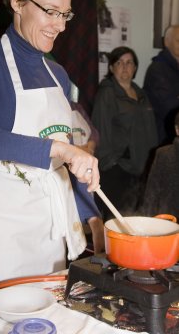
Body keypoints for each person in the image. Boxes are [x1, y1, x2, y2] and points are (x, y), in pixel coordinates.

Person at [0, 0, 100, 299]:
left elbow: (67, 160)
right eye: (50, 11)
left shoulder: (59, 74)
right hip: (2, 229)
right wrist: (60, 149)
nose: (60, 25)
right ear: (17, 1)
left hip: (49, 228)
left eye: (64, 14)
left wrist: (91, 217)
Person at [91, 46, 158, 221]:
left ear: (135, 68)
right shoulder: (107, 94)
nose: (125, 67)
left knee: (137, 220)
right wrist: (112, 163)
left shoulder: (141, 93)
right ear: (112, 68)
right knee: (117, 222)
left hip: (141, 170)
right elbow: (100, 131)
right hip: (117, 171)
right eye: (119, 63)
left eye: (129, 63)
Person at [70, 101, 104, 254]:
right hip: (68, 167)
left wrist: (89, 147)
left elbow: (94, 133)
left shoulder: (77, 107)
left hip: (86, 166)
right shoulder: (49, 109)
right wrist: (76, 151)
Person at [144, 25, 179, 145]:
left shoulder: (175, 67)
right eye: (178, 40)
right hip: (164, 136)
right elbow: (171, 108)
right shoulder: (157, 69)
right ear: (166, 42)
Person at [141, 109, 179, 221]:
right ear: (177, 130)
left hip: (167, 226)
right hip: (167, 225)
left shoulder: (163, 154)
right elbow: (151, 195)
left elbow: (150, 197)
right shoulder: (163, 154)